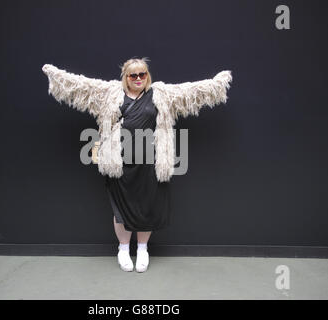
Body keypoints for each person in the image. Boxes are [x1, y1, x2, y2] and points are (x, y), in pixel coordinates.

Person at [42, 57, 233, 272]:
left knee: (147, 208)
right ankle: (123, 249)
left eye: (143, 74)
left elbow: (191, 92)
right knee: (120, 211)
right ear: (126, 77)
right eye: (133, 75)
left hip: (150, 162)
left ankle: (142, 249)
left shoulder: (160, 93)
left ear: (147, 74)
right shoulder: (111, 93)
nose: (139, 78)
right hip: (119, 163)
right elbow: (81, 85)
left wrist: (217, 82)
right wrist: (55, 74)